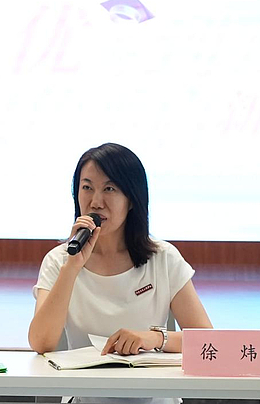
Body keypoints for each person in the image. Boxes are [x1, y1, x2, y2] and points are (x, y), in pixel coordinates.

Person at [28, 142, 213, 371]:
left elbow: (208, 341)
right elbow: (41, 343)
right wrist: (72, 266)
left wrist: (156, 338)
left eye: (109, 189)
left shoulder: (164, 258)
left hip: (151, 389)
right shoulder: (59, 261)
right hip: (84, 388)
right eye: (87, 187)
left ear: (132, 198)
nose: (96, 202)